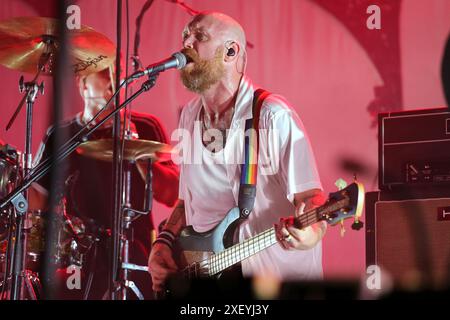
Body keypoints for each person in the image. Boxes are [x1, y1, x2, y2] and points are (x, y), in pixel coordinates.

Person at [148, 11, 327, 294]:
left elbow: (312, 198)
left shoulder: (272, 116)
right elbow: (186, 204)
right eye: (185, 36)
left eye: (199, 37)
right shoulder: (190, 116)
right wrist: (163, 243)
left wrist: (311, 234)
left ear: (231, 51)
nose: (187, 44)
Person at [33, 66, 179, 299]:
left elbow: (172, 194)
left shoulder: (146, 126)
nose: (114, 80)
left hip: (136, 254)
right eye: (104, 72)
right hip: (78, 256)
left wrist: (136, 150)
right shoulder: (61, 134)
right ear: (82, 84)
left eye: (118, 72)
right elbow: (36, 199)